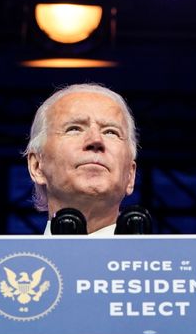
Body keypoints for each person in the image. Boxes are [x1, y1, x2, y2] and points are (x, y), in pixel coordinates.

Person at [24, 83, 138, 235]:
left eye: (111, 132)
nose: (96, 140)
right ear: (37, 166)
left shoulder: (171, 258)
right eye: (74, 129)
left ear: (130, 175)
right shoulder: (2, 258)